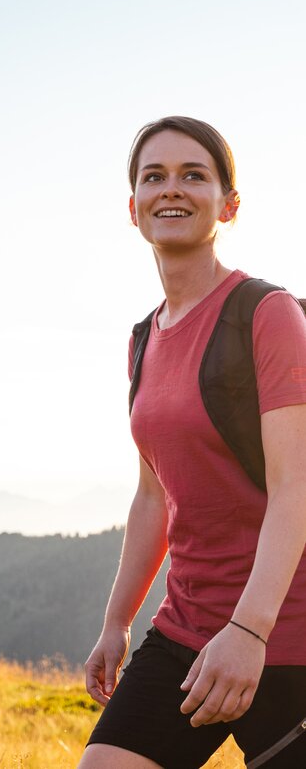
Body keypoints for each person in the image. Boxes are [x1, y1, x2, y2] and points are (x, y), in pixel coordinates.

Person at [77, 116, 306, 769]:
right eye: (154, 176)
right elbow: (154, 495)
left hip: (285, 638)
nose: (170, 189)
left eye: (193, 175)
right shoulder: (142, 338)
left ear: (228, 205)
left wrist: (248, 631)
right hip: (187, 631)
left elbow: (297, 487)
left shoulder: (267, 314)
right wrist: (116, 624)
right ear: (133, 208)